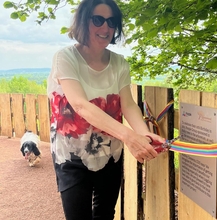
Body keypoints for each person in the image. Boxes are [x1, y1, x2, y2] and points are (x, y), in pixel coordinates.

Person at [46, 0, 165, 219]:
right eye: (98, 20)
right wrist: (129, 136)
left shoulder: (120, 63)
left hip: (110, 152)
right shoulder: (65, 58)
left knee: (104, 215)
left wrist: (143, 133)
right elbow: (80, 105)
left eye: (111, 22)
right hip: (71, 155)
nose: (106, 28)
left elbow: (127, 104)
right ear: (83, 21)